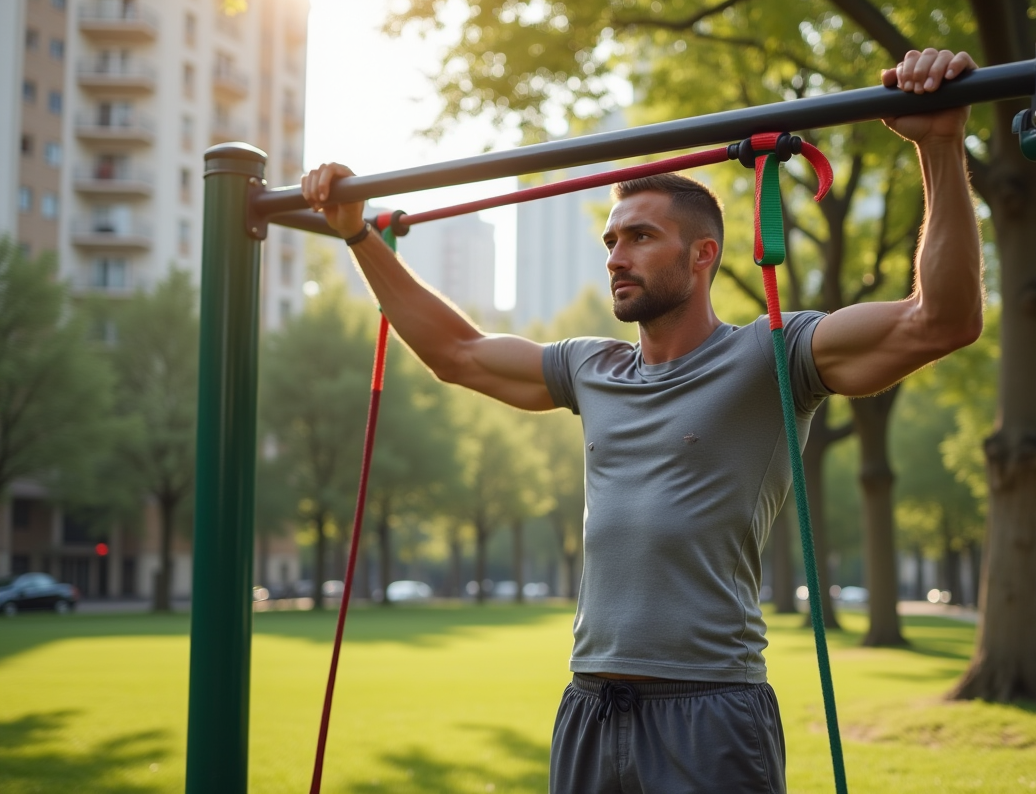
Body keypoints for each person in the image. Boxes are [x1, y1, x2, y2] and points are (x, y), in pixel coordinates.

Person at [303, 47, 982, 794]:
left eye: (639, 238)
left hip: (710, 710)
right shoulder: (591, 368)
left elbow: (939, 321)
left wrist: (940, 147)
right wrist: (359, 236)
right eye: (610, 241)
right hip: (590, 704)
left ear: (703, 257)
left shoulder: (772, 355)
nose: (615, 257)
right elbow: (459, 354)